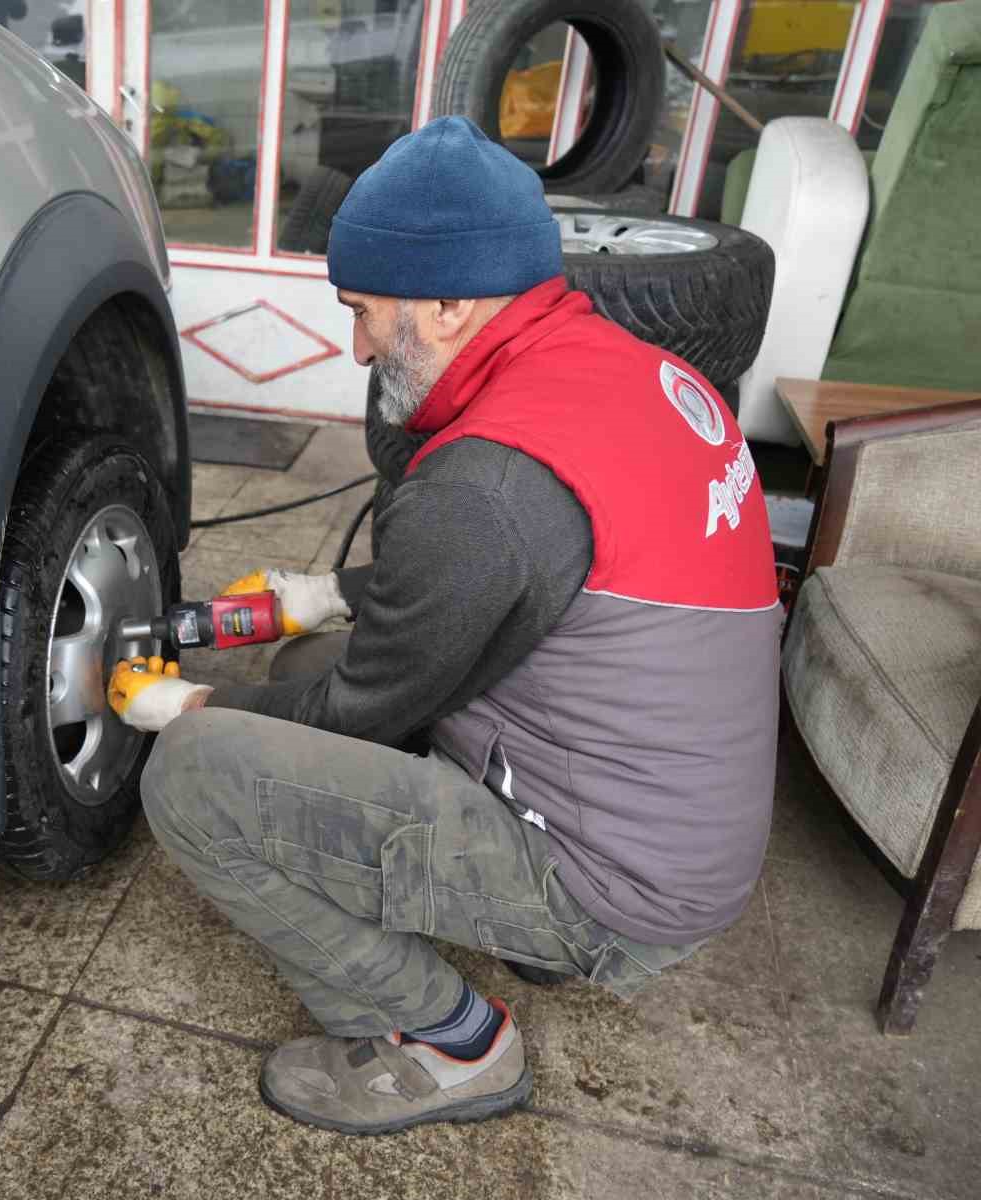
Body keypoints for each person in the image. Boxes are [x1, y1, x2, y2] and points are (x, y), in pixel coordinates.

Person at [107, 116, 781, 1136]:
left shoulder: (481, 482)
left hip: (610, 888)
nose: (354, 345)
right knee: (313, 653)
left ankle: (446, 1042)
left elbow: (360, 709)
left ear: (452, 304)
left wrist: (188, 703)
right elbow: (515, 577)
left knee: (200, 774)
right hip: (681, 832)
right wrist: (323, 595)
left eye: (365, 313)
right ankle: (487, 928)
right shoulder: (627, 371)